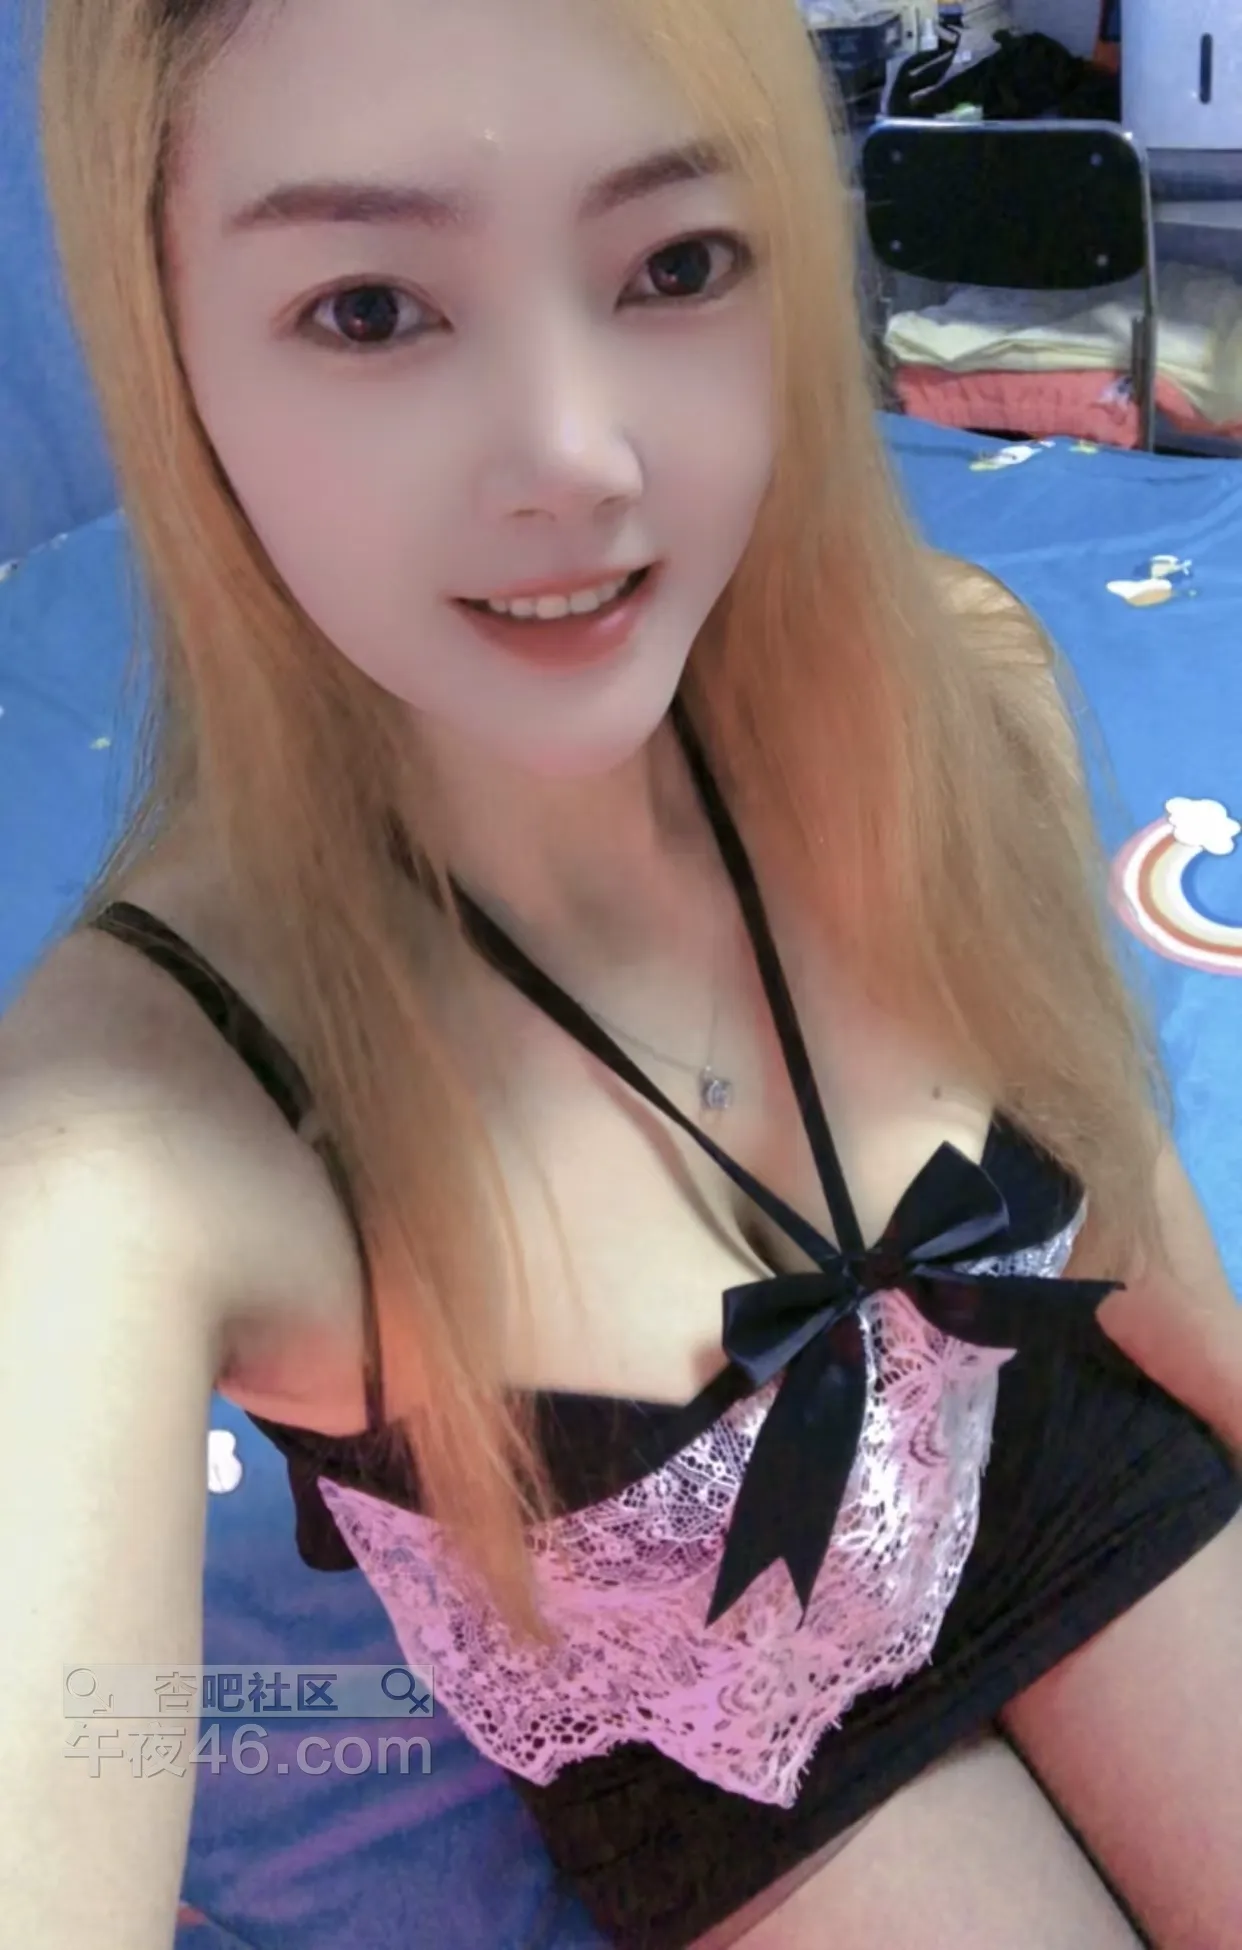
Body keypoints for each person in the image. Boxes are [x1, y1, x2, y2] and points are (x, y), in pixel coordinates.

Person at [3, 1, 1240, 1945]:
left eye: (674, 263)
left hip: (1049, 1446)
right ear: (172, 357)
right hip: (709, 1735)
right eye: (370, 309)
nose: (573, 459)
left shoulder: (955, 692)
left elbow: (1103, 1143)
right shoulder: (139, 1133)